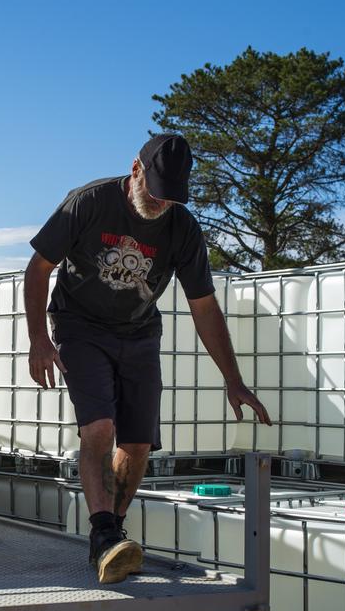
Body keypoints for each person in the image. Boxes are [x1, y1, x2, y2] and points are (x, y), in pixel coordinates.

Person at [24, 133, 270, 584]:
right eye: (155, 194)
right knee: (98, 426)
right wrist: (39, 338)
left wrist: (233, 379)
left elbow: (205, 307)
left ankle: (112, 537)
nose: (160, 205)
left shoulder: (182, 228)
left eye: (170, 199)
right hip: (80, 327)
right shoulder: (89, 202)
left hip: (139, 333)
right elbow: (38, 267)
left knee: (137, 444)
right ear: (136, 169)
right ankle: (102, 535)